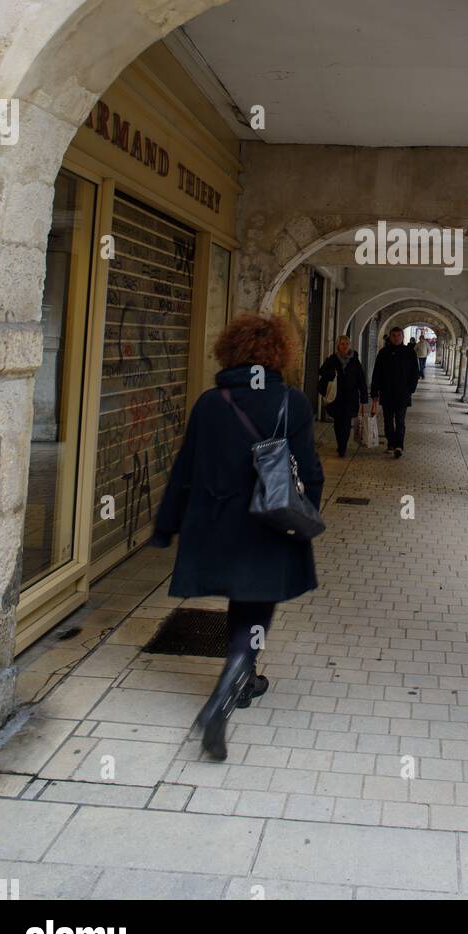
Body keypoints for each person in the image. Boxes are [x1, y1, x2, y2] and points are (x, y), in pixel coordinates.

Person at [151, 312, 324, 761]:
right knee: (255, 606)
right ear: (277, 355)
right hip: (268, 525)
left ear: (230, 351)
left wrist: (166, 524)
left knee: (241, 601)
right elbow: (310, 473)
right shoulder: (292, 403)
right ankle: (226, 690)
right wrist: (307, 515)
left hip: (217, 523)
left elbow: (185, 469)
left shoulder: (211, 402)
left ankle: (244, 678)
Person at [370, 326, 419, 458]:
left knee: (400, 420)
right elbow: (377, 373)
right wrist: (374, 392)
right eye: (394, 335)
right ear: (390, 337)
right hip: (387, 393)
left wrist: (410, 389)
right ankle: (391, 443)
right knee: (387, 420)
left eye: (398, 335)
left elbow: (415, 372)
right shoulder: (383, 353)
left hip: (403, 394)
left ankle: (399, 445)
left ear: (402, 337)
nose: (396, 338)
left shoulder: (409, 352)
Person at [318, 335, 369, 456]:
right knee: (337, 422)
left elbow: (361, 379)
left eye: (346, 344)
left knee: (346, 422)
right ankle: (340, 443)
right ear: (338, 345)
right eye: (342, 344)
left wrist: (364, 397)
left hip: (350, 397)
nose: (344, 346)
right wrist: (331, 374)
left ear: (350, 345)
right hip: (336, 396)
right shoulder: (332, 359)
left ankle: (342, 447)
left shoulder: (355, 361)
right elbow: (322, 371)